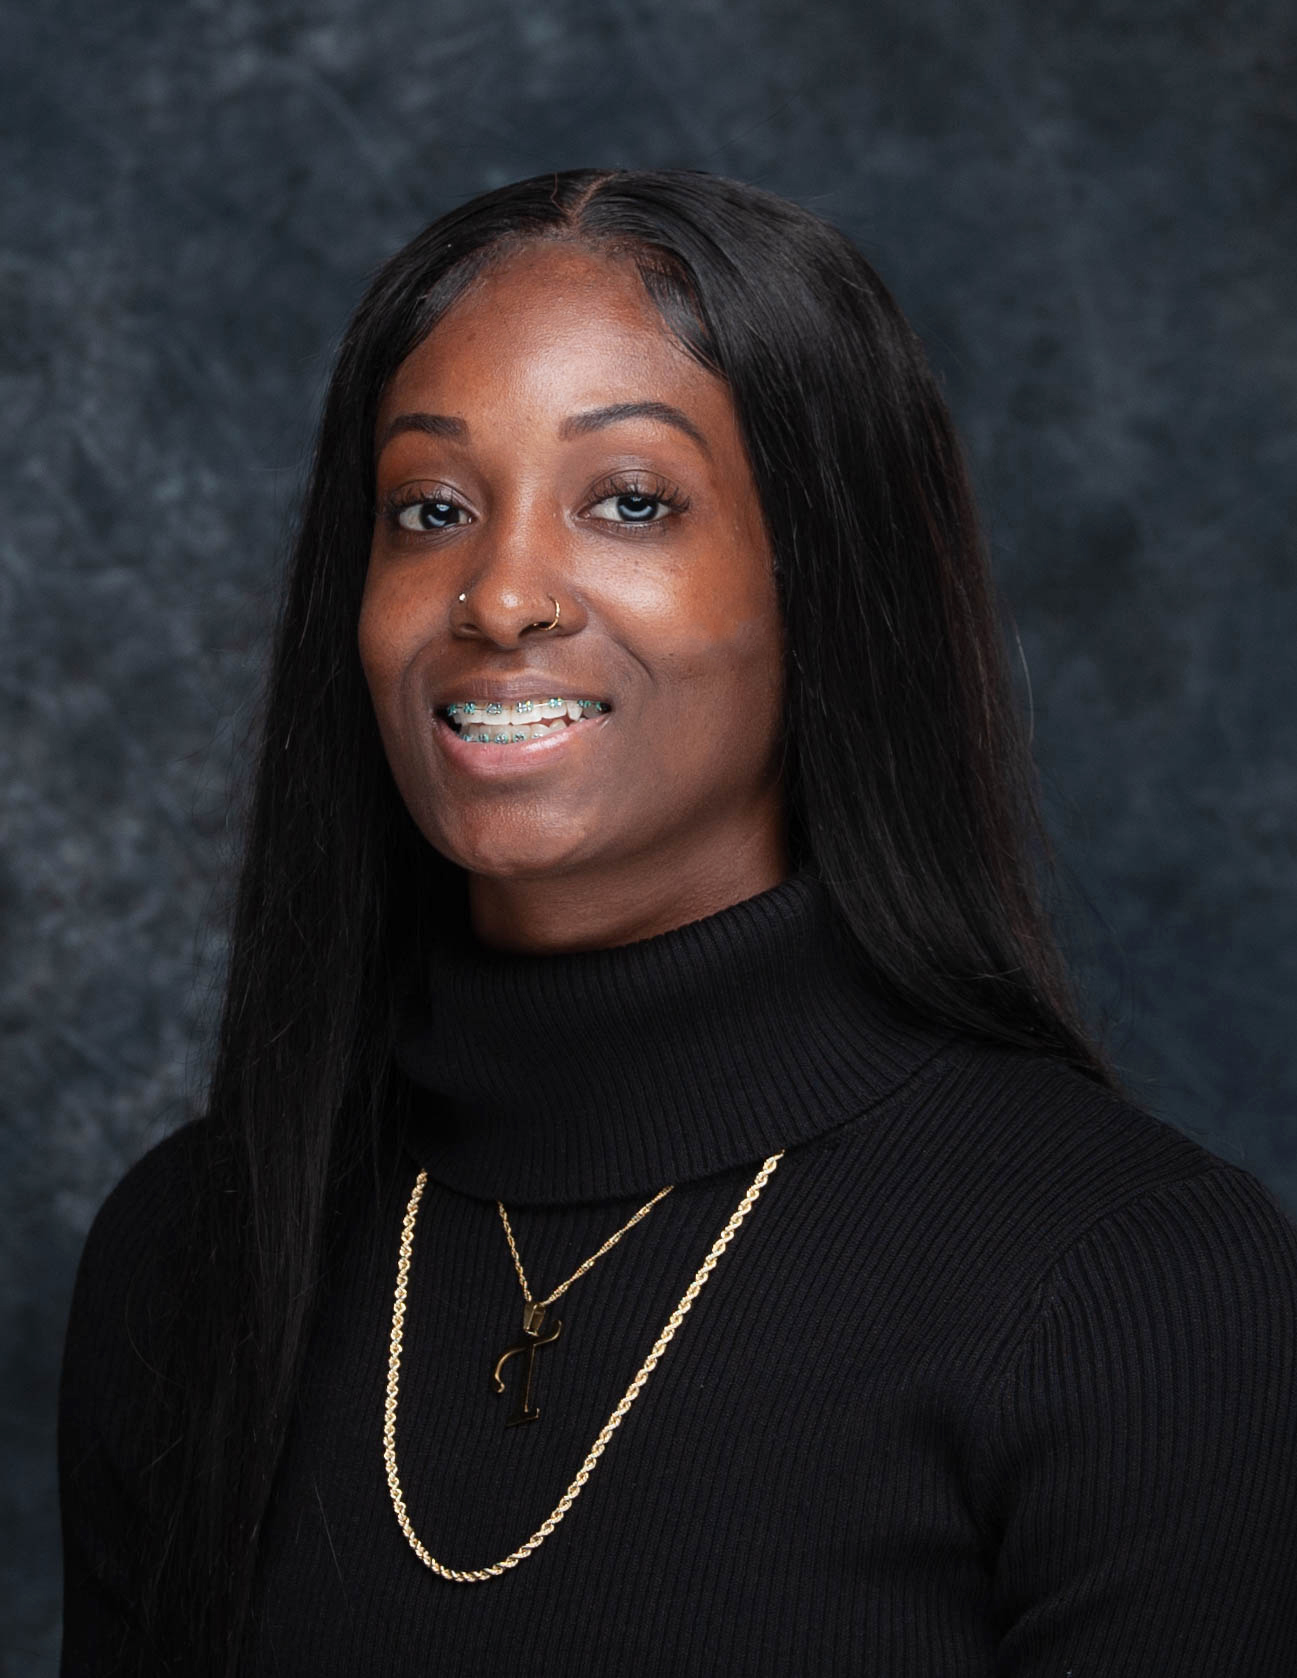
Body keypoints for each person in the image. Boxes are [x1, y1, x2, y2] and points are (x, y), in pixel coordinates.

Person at [58, 168, 1297, 1677]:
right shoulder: (195, 1250)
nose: (500, 595)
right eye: (431, 507)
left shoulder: (1132, 1282)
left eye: (631, 501)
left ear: (820, 579)